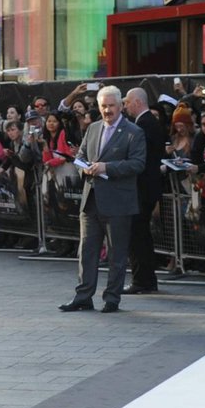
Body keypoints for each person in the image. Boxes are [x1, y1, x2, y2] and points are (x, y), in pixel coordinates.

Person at [60, 85, 145, 314]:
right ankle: (83, 296)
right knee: (86, 251)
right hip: (91, 200)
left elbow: (138, 164)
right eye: (103, 106)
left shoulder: (133, 132)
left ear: (120, 106)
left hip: (118, 203)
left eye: (111, 106)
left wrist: (108, 167)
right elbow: (80, 156)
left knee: (117, 253)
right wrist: (84, 169)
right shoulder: (93, 128)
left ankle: (112, 298)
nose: (107, 110)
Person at [123, 88, 166, 294]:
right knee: (141, 235)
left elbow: (141, 159)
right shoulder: (148, 123)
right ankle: (146, 279)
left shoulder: (144, 125)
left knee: (137, 235)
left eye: (127, 102)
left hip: (142, 189)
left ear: (137, 102)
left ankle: (142, 280)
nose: (125, 107)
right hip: (146, 188)